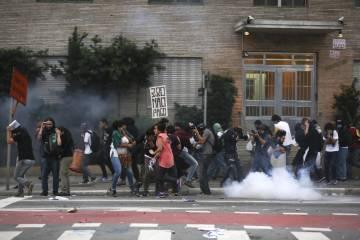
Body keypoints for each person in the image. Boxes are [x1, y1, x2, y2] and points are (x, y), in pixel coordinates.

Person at [6, 120, 35, 197]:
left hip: (23, 159)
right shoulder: (25, 132)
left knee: (16, 177)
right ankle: (20, 192)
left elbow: (9, 141)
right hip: (31, 159)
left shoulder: (18, 133)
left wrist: (8, 131)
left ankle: (28, 184)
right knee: (21, 176)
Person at [153, 122, 178, 198]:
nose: (154, 130)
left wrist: (153, 153)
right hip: (169, 156)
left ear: (159, 130)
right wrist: (155, 157)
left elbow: (160, 149)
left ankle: (174, 181)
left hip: (164, 158)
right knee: (161, 176)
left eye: (155, 129)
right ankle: (163, 191)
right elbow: (164, 148)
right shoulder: (165, 135)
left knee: (159, 177)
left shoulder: (160, 136)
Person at [38, 117, 60, 196]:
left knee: (55, 175)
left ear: (53, 124)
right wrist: (41, 127)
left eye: (50, 124)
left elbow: (59, 143)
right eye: (47, 124)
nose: (48, 125)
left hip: (54, 157)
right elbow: (39, 138)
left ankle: (55, 191)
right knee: (44, 175)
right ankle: (45, 191)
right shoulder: (43, 132)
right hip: (45, 156)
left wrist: (58, 134)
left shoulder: (55, 131)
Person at [113, 119, 136, 193]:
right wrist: (128, 145)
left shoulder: (123, 132)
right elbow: (117, 144)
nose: (123, 128)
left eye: (123, 126)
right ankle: (113, 187)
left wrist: (125, 134)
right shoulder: (115, 133)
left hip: (125, 152)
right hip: (119, 152)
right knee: (120, 171)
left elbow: (131, 139)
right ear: (118, 127)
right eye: (121, 127)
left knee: (128, 171)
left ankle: (132, 188)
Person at [192, 123, 215, 195]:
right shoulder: (206, 131)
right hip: (205, 154)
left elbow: (202, 141)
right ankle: (205, 191)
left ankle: (206, 191)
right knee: (202, 173)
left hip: (206, 154)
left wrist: (197, 132)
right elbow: (201, 141)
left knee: (202, 173)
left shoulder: (207, 131)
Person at [174, 123, 198, 188]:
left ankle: (186, 177)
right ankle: (188, 180)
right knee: (194, 163)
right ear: (190, 130)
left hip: (175, 153)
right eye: (193, 129)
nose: (194, 130)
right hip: (177, 154)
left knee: (179, 171)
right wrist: (196, 134)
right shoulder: (185, 136)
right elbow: (191, 147)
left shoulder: (179, 132)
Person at [57, 126, 74, 196]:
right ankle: (67, 191)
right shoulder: (67, 136)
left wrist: (58, 135)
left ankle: (64, 191)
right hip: (69, 156)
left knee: (62, 174)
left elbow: (59, 144)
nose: (56, 132)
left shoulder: (63, 137)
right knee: (66, 174)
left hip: (65, 157)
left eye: (58, 131)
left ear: (61, 131)